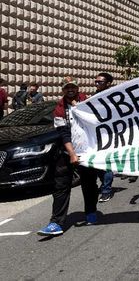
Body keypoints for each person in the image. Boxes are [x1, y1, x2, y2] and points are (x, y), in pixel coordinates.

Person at [38, 77, 91, 236]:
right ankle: (56, 222)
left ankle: (91, 212)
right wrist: (72, 154)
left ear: (77, 88)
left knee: (89, 184)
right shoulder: (59, 108)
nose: (70, 90)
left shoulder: (87, 102)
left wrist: (80, 109)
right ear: (63, 90)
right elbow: (64, 133)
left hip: (87, 151)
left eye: (73, 87)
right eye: (67, 88)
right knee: (61, 187)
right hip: (67, 152)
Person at [94, 73, 115, 203]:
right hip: (97, 136)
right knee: (97, 164)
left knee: (107, 164)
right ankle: (104, 184)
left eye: (100, 82)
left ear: (108, 84)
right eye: (95, 81)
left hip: (110, 136)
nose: (97, 84)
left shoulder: (113, 96)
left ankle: (106, 190)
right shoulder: (94, 97)